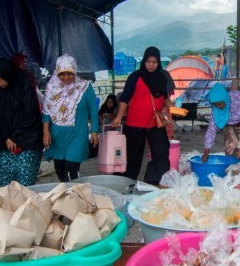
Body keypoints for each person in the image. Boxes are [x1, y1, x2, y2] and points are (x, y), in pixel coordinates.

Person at [110, 46, 175, 185]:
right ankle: (126, 184)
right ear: (144, 61)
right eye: (148, 61)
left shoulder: (162, 78)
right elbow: (125, 98)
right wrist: (119, 117)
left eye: (155, 62)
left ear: (158, 63)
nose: (151, 65)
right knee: (132, 157)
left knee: (161, 153)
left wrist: (174, 107)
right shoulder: (135, 77)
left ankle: (153, 182)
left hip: (155, 123)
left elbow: (164, 98)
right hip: (135, 125)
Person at [0, 59, 44, 188]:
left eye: (1, 78)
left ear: (9, 74)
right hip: (4, 143)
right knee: (4, 182)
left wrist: (15, 136)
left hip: (27, 141)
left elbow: (31, 114)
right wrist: (4, 137)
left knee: (25, 182)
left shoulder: (23, 85)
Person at [42, 55, 100, 182]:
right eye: (62, 74)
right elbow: (46, 111)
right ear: (57, 73)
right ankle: (67, 196)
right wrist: (46, 132)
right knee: (60, 169)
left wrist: (95, 131)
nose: (66, 77)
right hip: (57, 136)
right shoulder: (52, 88)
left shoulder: (84, 87)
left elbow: (93, 111)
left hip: (77, 135)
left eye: (70, 73)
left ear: (75, 71)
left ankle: (75, 196)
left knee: (71, 170)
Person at [202, 83, 240, 164]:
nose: (218, 106)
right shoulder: (216, 113)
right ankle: (237, 171)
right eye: (215, 105)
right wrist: (206, 154)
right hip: (232, 124)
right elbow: (211, 132)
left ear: (225, 98)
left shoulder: (238, 96)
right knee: (231, 149)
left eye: (220, 103)